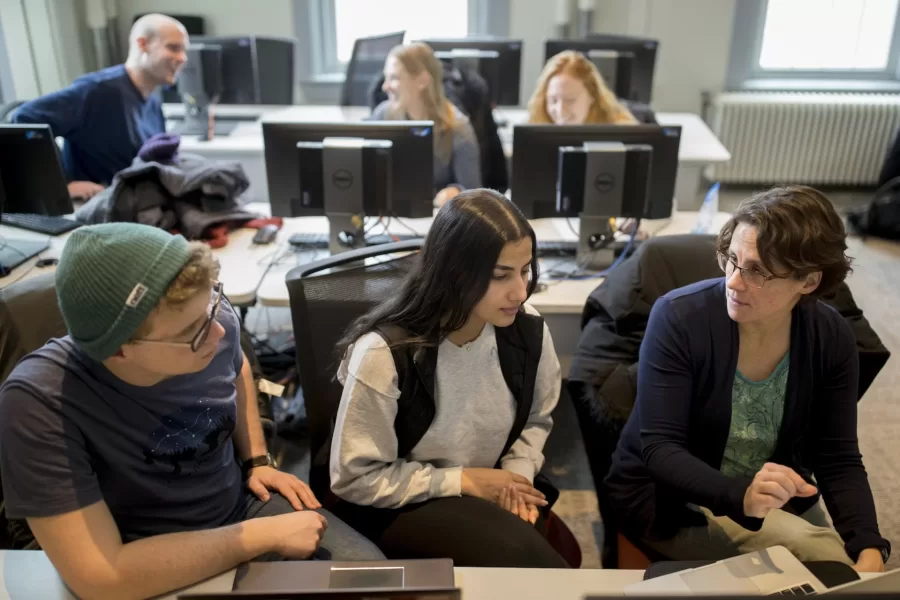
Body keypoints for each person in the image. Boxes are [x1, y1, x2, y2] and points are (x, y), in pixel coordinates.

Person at [0, 223, 384, 600]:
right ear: (119, 350)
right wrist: (259, 537)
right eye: (194, 332)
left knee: (376, 584)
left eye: (213, 306)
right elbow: (103, 578)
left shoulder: (211, 319)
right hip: (142, 554)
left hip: (239, 507)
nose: (218, 333)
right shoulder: (39, 402)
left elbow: (238, 367)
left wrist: (257, 460)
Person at [604, 186, 891, 572]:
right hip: (673, 500)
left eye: (757, 271)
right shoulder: (678, 317)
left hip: (771, 496)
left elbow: (837, 457)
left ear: (807, 282)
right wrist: (741, 495)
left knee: (849, 558)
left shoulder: (831, 337)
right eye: (732, 260)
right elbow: (660, 449)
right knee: (824, 557)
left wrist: (868, 543)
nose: (733, 282)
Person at [329, 188, 568, 568]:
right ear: (454, 273)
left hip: (489, 483)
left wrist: (516, 478)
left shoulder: (528, 330)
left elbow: (536, 419)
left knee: (548, 559)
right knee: (529, 562)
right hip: (402, 501)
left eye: (525, 270)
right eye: (501, 275)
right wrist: (463, 481)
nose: (521, 292)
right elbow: (355, 478)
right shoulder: (384, 354)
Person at [12, 14, 187, 199]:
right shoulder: (97, 90)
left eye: (184, 51)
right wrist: (63, 184)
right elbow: (25, 119)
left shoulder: (153, 103)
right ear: (143, 44)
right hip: (97, 206)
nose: (183, 58)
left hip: (134, 202)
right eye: (173, 48)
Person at [370, 42, 482, 207]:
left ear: (422, 81)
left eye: (394, 78)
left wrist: (456, 191)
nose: (385, 86)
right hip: (392, 215)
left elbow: (474, 195)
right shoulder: (383, 115)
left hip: (437, 218)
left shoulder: (458, 128)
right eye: (386, 77)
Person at [527, 50, 637, 126]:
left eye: (570, 100)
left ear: (592, 96)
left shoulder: (621, 130)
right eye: (553, 100)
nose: (560, 110)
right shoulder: (534, 126)